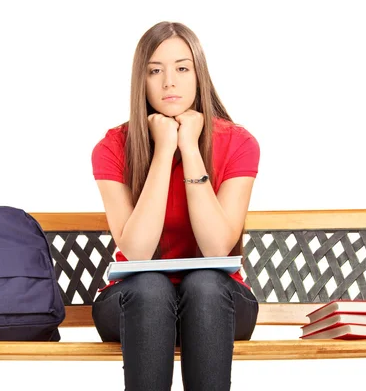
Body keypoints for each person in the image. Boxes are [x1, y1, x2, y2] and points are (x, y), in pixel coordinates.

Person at [91, 21, 260, 391]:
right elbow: (136, 251)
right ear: (142, 80)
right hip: (135, 304)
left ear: (199, 75)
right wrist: (164, 149)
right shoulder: (113, 147)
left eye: (182, 68)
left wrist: (190, 147)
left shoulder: (238, 142)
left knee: (204, 286)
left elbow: (217, 247)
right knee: (151, 287)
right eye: (155, 71)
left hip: (219, 303)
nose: (169, 82)